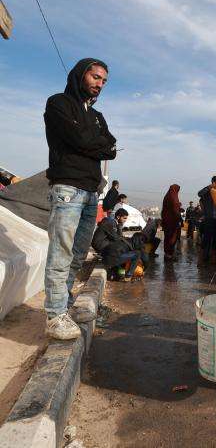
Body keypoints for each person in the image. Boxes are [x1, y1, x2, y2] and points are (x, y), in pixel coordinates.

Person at [43, 58, 116, 340]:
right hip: (67, 189)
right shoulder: (58, 103)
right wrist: (94, 143)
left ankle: (66, 305)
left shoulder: (97, 117)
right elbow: (79, 139)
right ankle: (54, 315)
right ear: (80, 75)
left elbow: (110, 147)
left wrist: (94, 142)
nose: (99, 84)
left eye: (103, 80)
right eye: (95, 77)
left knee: (77, 253)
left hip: (90, 192)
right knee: (60, 253)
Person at [92, 208, 143, 281]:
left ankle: (119, 274)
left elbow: (118, 237)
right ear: (118, 217)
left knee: (122, 250)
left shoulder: (113, 223)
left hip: (104, 247)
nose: (125, 220)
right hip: (101, 245)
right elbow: (116, 238)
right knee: (131, 252)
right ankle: (128, 276)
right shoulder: (111, 223)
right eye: (124, 218)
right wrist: (120, 227)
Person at [198, 176, 216, 264]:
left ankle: (213, 259)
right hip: (209, 218)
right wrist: (209, 187)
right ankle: (202, 259)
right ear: (213, 182)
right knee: (206, 239)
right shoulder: (208, 192)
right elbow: (199, 194)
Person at [161, 184, 182, 261]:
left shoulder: (167, 196)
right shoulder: (173, 196)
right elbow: (175, 208)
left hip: (166, 221)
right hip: (172, 221)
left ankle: (167, 254)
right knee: (172, 237)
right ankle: (169, 255)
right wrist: (179, 219)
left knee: (167, 237)